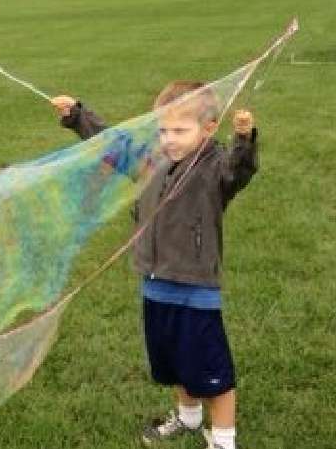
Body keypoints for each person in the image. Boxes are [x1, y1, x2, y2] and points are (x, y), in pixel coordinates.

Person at [51, 80, 257, 449]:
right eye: (163, 129)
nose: (170, 139)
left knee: (212, 372)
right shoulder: (154, 161)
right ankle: (189, 417)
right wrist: (78, 116)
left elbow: (239, 171)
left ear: (209, 129)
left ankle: (224, 441)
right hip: (155, 283)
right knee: (172, 360)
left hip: (195, 291)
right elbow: (116, 144)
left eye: (180, 130)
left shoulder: (215, 169)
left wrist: (244, 139)